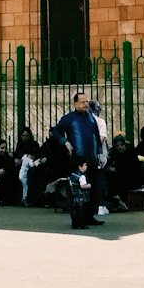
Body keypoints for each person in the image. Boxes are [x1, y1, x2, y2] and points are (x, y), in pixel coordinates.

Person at [55, 92, 102, 226]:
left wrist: (99, 152)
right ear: (75, 104)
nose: (86, 104)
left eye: (87, 102)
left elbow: (97, 136)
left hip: (91, 159)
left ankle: (89, 216)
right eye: (82, 102)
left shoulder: (91, 118)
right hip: (77, 160)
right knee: (77, 191)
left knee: (92, 189)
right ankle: (77, 218)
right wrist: (65, 142)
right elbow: (56, 131)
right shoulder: (69, 118)